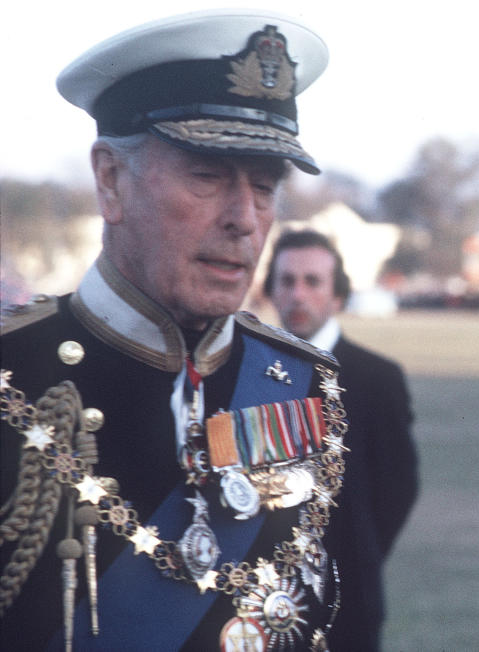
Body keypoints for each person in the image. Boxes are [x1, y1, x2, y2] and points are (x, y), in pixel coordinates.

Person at [1, 10, 350, 651]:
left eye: (266, 187)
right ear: (110, 179)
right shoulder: (12, 373)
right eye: (208, 177)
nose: (244, 219)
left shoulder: (305, 384)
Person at [263, 229, 419, 651]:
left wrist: (356, 557)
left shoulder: (377, 378)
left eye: (313, 281)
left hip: (348, 602)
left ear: (337, 295)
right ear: (270, 291)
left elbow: (397, 489)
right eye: (287, 281)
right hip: (258, 603)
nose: (298, 294)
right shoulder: (249, 374)